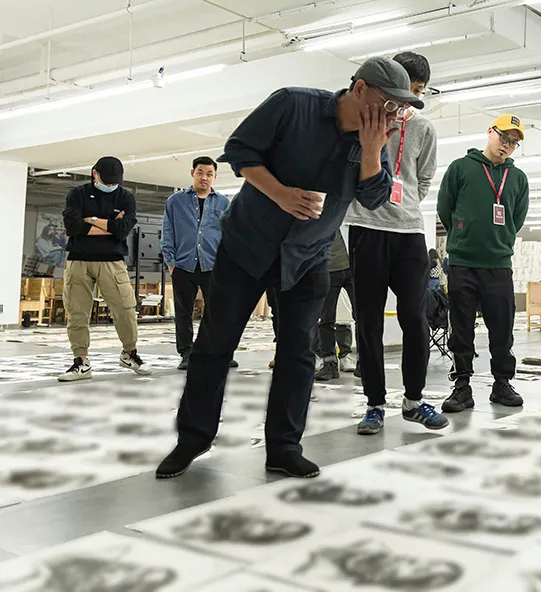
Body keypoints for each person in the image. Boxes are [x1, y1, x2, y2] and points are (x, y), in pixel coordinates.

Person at [156, 56, 415, 481]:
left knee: (298, 353)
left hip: (308, 257)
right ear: (360, 90)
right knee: (214, 345)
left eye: (399, 108)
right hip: (247, 247)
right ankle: (193, 439)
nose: (392, 115)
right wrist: (279, 193)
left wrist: (371, 151)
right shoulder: (294, 104)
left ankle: (284, 447)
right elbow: (240, 151)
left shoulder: (375, 142)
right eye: (388, 103)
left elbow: (374, 198)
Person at [347, 51, 448, 434]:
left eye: (419, 91)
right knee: (369, 321)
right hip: (366, 227)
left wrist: (402, 204)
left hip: (408, 233)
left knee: (416, 319)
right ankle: (374, 405)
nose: (411, 97)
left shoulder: (423, 128)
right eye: (407, 88)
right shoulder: (362, 120)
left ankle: (414, 401)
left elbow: (423, 179)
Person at [437, 114, 529, 413]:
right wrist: (463, 235)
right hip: (462, 262)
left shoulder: (518, 178)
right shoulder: (460, 168)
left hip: (498, 264)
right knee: (461, 328)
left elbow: (516, 218)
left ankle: (502, 383)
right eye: (504, 138)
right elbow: (445, 208)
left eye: (513, 143)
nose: (507, 146)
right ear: (490, 131)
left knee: (502, 328)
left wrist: (500, 240)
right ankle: (462, 386)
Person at [57, 156, 148, 381]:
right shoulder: (77, 194)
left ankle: (129, 353)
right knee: (77, 312)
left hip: (112, 261)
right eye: (107, 182)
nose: (111, 185)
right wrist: (110, 225)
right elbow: (72, 226)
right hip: (79, 260)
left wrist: (91, 220)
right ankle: (81, 361)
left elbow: (123, 229)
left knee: (125, 308)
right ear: (94, 174)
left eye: (115, 182)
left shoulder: (125, 197)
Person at [161, 156, 234, 371]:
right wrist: (171, 262)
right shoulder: (175, 201)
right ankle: (186, 353)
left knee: (218, 312)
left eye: (209, 174)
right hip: (183, 265)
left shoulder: (223, 202)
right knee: (183, 313)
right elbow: (167, 231)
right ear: (192, 173)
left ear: (215, 177)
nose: (204, 177)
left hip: (213, 266)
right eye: (200, 172)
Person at [313, 231, 355, 381]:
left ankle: (364, 363)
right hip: (328, 270)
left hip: (352, 268)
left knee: (364, 318)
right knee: (326, 320)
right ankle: (329, 364)